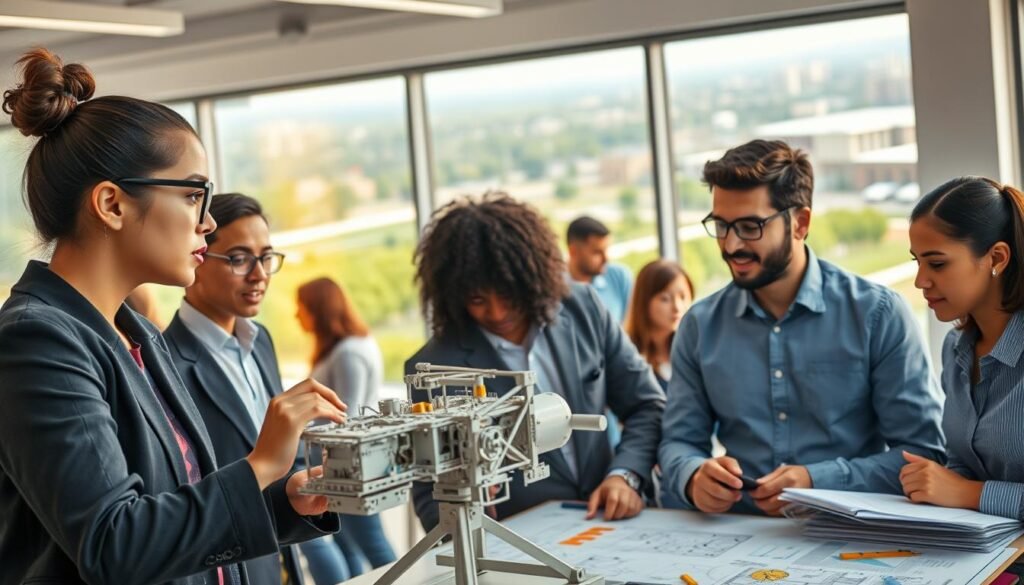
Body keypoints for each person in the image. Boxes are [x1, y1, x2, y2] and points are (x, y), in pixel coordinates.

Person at [0, 49, 345, 585]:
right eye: (192, 194)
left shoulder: (135, 334)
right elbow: (116, 546)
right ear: (112, 204)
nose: (207, 222)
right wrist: (261, 465)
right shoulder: (37, 340)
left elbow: (176, 507)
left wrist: (284, 504)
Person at [658, 139, 945, 517]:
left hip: (849, 534)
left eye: (749, 226)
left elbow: (922, 456)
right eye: (722, 226)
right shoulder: (699, 326)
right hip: (737, 538)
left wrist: (816, 481)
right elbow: (678, 442)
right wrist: (693, 475)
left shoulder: (877, 314)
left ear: (801, 223)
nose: (731, 245)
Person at [406, 193, 666, 530]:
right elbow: (429, 494)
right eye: (477, 299)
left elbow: (647, 406)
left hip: (621, 523)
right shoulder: (432, 370)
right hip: (522, 551)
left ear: (531, 277)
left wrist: (625, 476)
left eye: (508, 294)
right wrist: (471, 518)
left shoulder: (584, 307)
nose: (497, 313)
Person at [163, 193, 349, 585]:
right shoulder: (166, 365)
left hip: (281, 554)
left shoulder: (260, 340)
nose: (259, 274)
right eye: (239, 258)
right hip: (224, 566)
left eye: (265, 257)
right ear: (198, 255)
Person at [901, 176, 1024, 521]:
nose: (920, 281)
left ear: (996, 258)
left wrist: (968, 492)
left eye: (937, 263)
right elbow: (962, 465)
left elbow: (963, 489)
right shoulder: (956, 348)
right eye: (917, 262)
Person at [296, 277, 398, 576]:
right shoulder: (349, 347)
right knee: (348, 542)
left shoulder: (348, 352)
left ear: (318, 309)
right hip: (341, 462)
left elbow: (346, 414)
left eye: (301, 307)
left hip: (348, 464)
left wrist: (303, 429)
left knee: (372, 544)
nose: (297, 315)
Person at [624, 260, 694, 391]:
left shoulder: (695, 350)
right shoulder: (629, 359)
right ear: (644, 302)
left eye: (683, 297)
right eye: (665, 298)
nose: (677, 307)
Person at [566, 216, 633, 323]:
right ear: (573, 251)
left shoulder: (620, 277)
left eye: (606, 250)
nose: (606, 258)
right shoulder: (554, 288)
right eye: (597, 252)